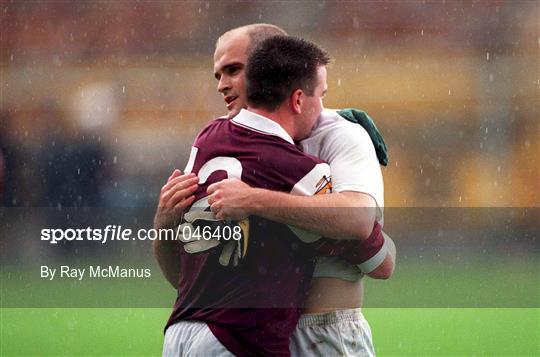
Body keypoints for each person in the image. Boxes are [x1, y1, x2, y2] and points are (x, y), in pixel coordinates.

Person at [154, 24, 395, 356]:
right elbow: (188, 278)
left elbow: (361, 227)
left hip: (317, 332)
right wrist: (163, 226)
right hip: (250, 333)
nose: (223, 85)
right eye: (218, 75)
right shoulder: (226, 142)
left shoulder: (340, 134)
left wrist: (255, 201)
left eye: (234, 70)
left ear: (269, 67)